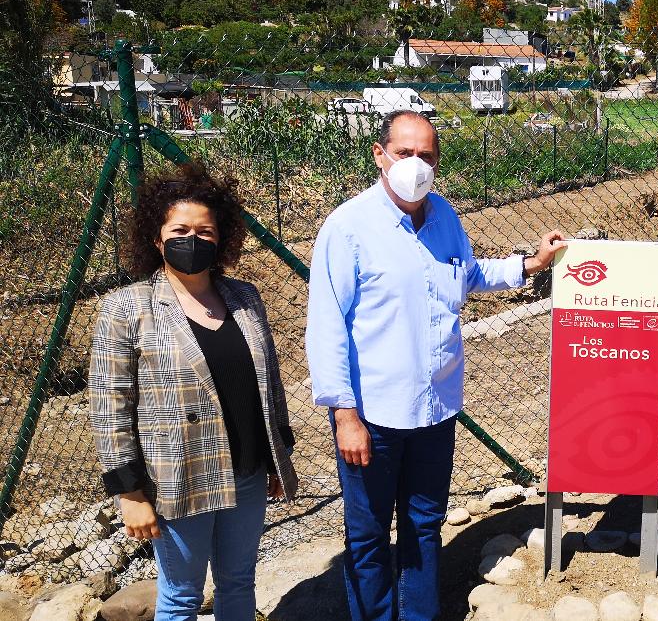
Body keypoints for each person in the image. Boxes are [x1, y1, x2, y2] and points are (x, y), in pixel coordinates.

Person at [306, 109, 566, 621]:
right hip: (373, 418)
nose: (416, 164)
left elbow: (466, 275)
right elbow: (327, 327)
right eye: (404, 153)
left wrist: (530, 264)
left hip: (435, 411)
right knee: (369, 534)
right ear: (379, 156)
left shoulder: (444, 216)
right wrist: (344, 414)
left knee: (426, 525)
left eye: (426, 155)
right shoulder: (348, 228)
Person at [90, 164, 298, 621]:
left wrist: (279, 453)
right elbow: (110, 409)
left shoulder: (244, 296)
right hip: (179, 476)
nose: (193, 239)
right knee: (181, 597)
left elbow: (270, 383)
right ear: (157, 238)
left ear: (221, 238)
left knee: (239, 583)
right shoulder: (126, 308)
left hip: (247, 471)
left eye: (205, 231)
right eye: (180, 230)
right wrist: (129, 493)